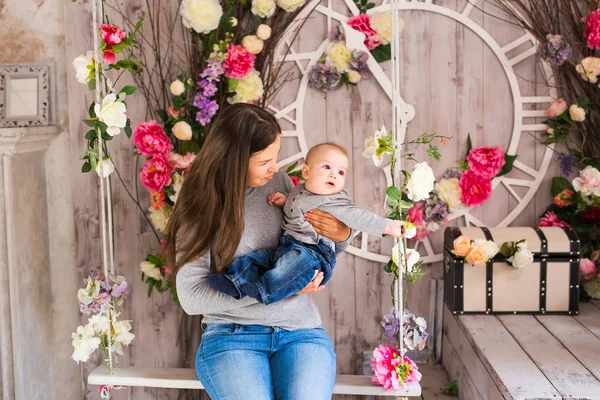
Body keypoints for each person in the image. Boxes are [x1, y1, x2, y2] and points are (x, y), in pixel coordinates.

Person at [164, 103, 353, 400]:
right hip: (232, 336)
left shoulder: (276, 184)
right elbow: (191, 296)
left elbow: (310, 243)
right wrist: (272, 289)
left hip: (298, 331)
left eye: (275, 157)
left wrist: (341, 236)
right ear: (234, 160)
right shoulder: (199, 206)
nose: (275, 168)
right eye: (265, 161)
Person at [208, 142, 408, 305]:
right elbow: (299, 205)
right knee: (257, 258)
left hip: (313, 254)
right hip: (287, 248)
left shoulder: (335, 200)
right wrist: (285, 200)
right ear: (306, 172)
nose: (333, 175)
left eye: (341, 172)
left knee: (286, 271)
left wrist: (387, 226)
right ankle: (234, 280)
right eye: (327, 167)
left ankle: (264, 291)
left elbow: (359, 217)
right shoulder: (300, 190)